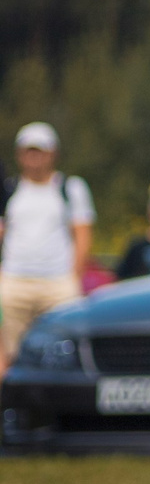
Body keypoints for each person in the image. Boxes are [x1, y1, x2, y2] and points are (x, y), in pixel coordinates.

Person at [0, 123, 95, 371]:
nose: (34, 157)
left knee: (64, 350)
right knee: (11, 353)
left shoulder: (69, 188)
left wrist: (73, 275)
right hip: (15, 282)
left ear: (53, 154)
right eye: (29, 151)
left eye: (39, 151)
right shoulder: (9, 190)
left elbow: (83, 233)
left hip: (57, 283)